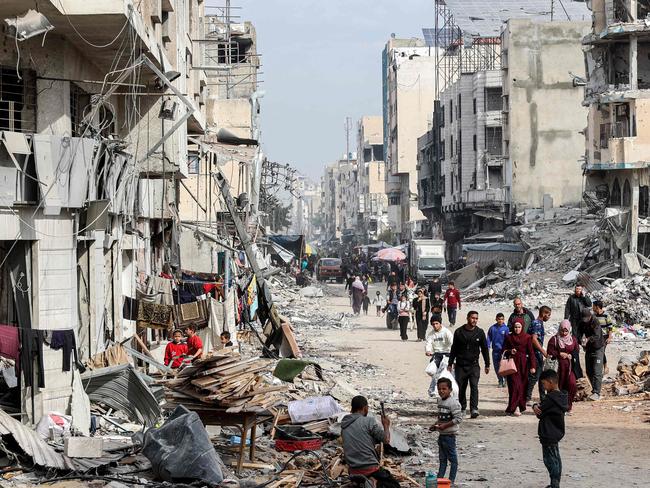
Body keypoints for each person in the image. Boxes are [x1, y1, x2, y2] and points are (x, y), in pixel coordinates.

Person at [341, 396, 399, 488]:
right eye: (367, 408)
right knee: (394, 485)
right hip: (369, 468)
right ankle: (373, 483)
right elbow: (386, 440)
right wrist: (386, 425)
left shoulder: (344, 424)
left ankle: (360, 483)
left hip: (352, 471)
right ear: (365, 408)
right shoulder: (368, 421)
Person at [447, 311, 490, 418]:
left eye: (476, 318)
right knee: (461, 387)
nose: (474, 320)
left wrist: (487, 364)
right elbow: (454, 348)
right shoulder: (459, 332)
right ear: (467, 318)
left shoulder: (480, 332)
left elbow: (484, 349)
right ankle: (462, 408)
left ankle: (474, 408)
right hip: (461, 365)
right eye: (472, 318)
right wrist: (450, 363)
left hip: (474, 365)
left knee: (474, 386)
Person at [533, 370, 568, 488]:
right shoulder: (562, 397)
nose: (544, 387)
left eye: (544, 384)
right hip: (556, 433)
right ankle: (555, 483)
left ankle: (555, 484)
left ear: (551, 382)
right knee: (555, 458)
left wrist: (535, 407)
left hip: (548, 434)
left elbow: (540, 413)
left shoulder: (551, 398)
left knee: (550, 460)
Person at [430, 377, 462, 485]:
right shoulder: (440, 401)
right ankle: (440, 480)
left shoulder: (453, 403)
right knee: (442, 460)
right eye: (439, 389)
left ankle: (451, 481)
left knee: (453, 461)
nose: (441, 391)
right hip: (442, 436)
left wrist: (445, 426)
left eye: (444, 389)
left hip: (449, 436)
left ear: (450, 390)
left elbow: (458, 418)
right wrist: (435, 425)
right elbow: (441, 418)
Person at [502, 319, 536, 416]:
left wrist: (533, 366)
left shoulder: (527, 337)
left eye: (519, 327)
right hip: (512, 364)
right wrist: (509, 351)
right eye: (516, 327)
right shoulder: (509, 337)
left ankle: (519, 406)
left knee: (522, 386)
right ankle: (515, 407)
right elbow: (503, 350)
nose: (517, 329)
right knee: (514, 385)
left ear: (522, 327)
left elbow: (531, 352)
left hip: (523, 365)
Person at [546, 320, 578, 412]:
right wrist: (559, 354)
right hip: (558, 368)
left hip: (569, 368)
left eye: (566, 331)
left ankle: (568, 406)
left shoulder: (573, 339)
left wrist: (571, 355)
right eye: (562, 331)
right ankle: (557, 407)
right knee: (557, 387)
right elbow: (550, 351)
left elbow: (576, 351)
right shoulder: (554, 339)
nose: (564, 333)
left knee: (572, 385)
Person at [527, 306, 551, 403]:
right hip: (535, 354)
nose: (548, 317)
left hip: (537, 353)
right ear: (543, 313)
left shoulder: (539, 323)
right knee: (534, 377)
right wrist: (543, 352)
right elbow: (534, 339)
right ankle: (527, 398)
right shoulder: (537, 323)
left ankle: (543, 397)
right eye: (548, 315)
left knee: (541, 376)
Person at [580, 309, 605, 401]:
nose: (585, 320)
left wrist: (588, 339)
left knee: (597, 370)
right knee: (589, 370)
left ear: (590, 316)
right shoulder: (582, 322)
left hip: (598, 348)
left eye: (586, 318)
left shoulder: (595, 321)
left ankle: (596, 392)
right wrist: (581, 341)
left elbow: (597, 335)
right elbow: (578, 332)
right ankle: (594, 389)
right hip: (589, 349)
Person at [487, 313, 509, 387]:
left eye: (502, 319)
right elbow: (489, 338)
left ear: (504, 320)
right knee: (497, 367)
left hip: (503, 352)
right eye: (499, 319)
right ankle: (500, 380)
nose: (500, 320)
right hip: (495, 351)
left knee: (504, 367)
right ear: (496, 319)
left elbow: (508, 339)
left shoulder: (506, 328)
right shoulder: (492, 328)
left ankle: (505, 380)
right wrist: (488, 345)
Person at [592, 300, 613, 374]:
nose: (592, 308)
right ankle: (597, 366)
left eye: (593, 306)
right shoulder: (594, 315)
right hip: (596, 337)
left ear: (597, 307)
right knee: (597, 351)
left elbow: (610, 327)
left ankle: (605, 366)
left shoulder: (606, 315)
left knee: (601, 351)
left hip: (604, 337)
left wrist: (609, 337)